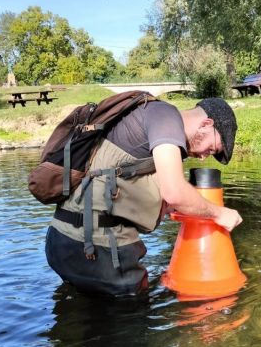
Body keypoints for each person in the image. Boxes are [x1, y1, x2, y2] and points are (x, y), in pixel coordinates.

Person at [45, 96, 243, 297]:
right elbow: (175, 193)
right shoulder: (166, 118)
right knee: (132, 318)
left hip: (63, 241)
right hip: (96, 251)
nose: (203, 157)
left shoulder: (151, 122)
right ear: (206, 124)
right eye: (211, 148)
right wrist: (219, 213)